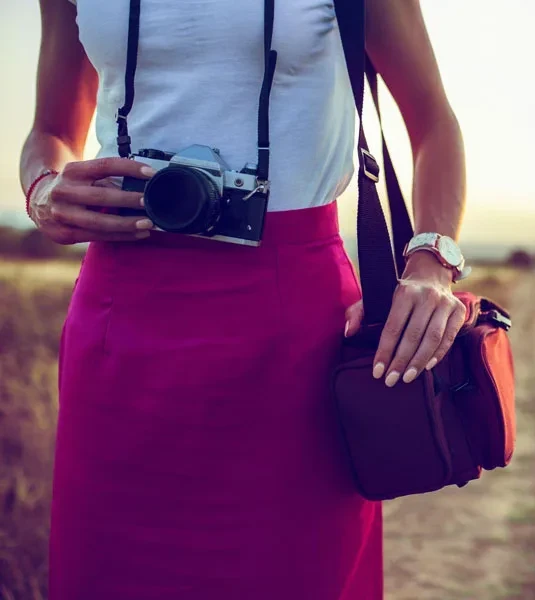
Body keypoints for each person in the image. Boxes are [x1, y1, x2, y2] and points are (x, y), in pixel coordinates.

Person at [19, 0, 468, 597]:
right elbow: (51, 131)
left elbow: (434, 122)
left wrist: (432, 262)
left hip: (294, 327)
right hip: (119, 320)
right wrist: (42, 188)